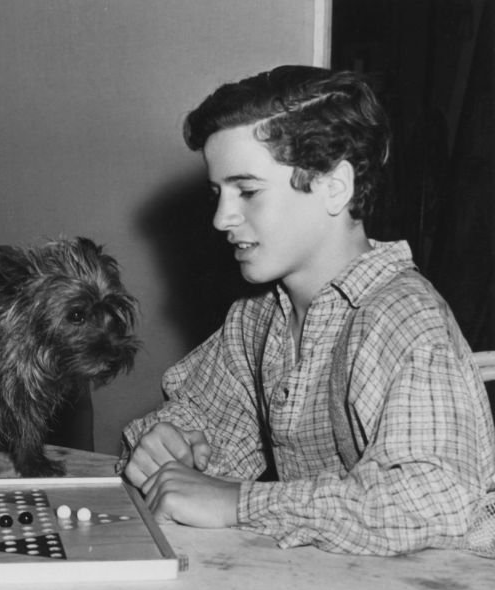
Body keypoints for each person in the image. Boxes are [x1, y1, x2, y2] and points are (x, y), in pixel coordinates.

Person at [119, 65, 495, 555]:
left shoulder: (402, 317)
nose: (221, 218)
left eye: (248, 191)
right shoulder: (258, 318)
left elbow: (432, 505)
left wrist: (238, 503)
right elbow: (199, 433)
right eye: (218, 193)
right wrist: (165, 450)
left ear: (334, 187)